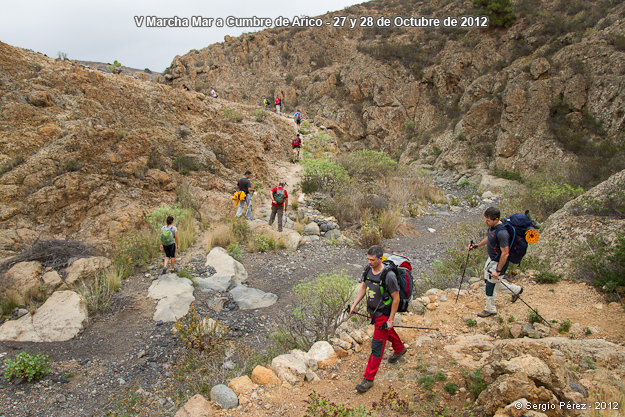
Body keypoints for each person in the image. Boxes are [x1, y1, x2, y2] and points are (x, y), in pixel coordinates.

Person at [349, 245, 406, 393]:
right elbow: (363, 288)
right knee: (386, 331)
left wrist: (391, 319)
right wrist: (354, 305)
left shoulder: (389, 276)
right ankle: (400, 349)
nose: (369, 262)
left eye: (372, 260)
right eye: (368, 259)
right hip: (372, 312)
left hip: (383, 313)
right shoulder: (368, 270)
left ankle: (368, 379)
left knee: (376, 346)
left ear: (380, 259)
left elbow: (396, 298)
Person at [469, 207, 524, 318]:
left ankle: (490, 309)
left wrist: (498, 270)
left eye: (488, 220)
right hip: (492, 259)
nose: (486, 222)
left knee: (491, 285)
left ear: (496, 219)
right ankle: (516, 290)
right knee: (490, 281)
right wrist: (477, 245)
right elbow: (489, 238)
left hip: (498, 262)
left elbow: (505, 253)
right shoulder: (493, 227)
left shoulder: (502, 233)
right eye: (485, 219)